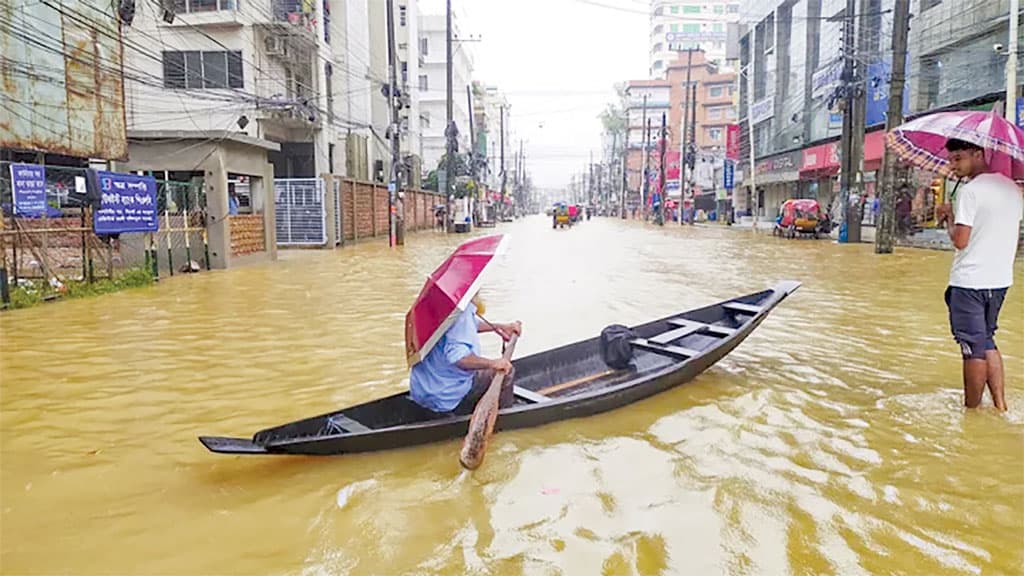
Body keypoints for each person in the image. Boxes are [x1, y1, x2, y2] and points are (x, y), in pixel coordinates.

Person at [935, 138, 1023, 411]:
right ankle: (1000, 405)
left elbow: (961, 241)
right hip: (1000, 280)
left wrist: (949, 218)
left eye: (959, 158)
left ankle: (971, 411)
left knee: (971, 348)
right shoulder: (1012, 188)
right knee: (987, 339)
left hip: (969, 282)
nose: (954, 165)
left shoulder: (970, 191)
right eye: (951, 160)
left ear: (978, 154)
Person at [410, 294, 523, 415]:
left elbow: (469, 324)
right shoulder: (462, 312)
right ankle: (503, 418)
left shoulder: (437, 305)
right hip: (446, 396)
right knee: (507, 372)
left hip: (421, 391)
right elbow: (459, 358)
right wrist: (493, 363)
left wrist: (500, 327)